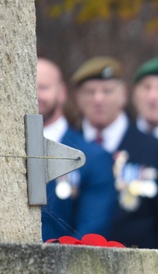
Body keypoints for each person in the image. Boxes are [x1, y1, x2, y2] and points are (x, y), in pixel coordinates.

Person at [71, 56, 158, 248]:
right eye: (90, 92)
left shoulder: (157, 152)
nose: (98, 99)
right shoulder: (66, 149)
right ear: (77, 98)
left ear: (123, 95)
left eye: (107, 91)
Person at [36, 58, 116, 241]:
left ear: (62, 92)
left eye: (43, 87)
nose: (35, 95)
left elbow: (89, 234)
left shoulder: (92, 157)